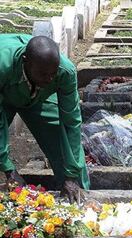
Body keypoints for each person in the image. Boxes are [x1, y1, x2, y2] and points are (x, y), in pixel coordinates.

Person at [0, 34, 89, 202]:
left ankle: (79, 203)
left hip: (41, 96)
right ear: (25, 61)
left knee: (63, 148)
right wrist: (9, 170)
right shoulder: (2, 65)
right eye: (43, 73)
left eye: (52, 74)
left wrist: (71, 175)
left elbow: (71, 123)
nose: (49, 79)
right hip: (5, 91)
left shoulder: (64, 72)